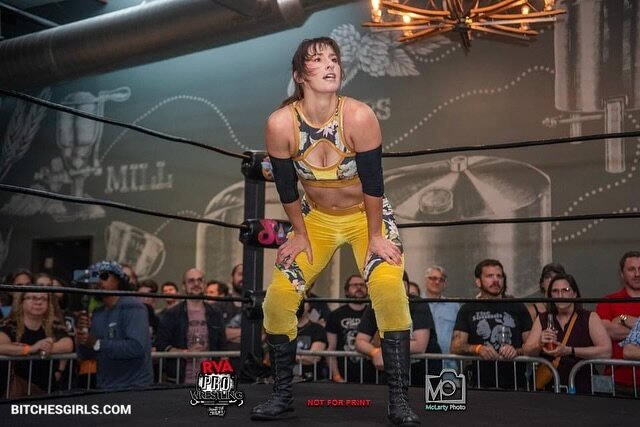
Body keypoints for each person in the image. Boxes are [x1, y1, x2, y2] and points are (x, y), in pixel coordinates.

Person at [250, 37, 418, 426]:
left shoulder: (359, 116)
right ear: (298, 75)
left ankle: (398, 401)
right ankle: (282, 395)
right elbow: (286, 187)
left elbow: (374, 182)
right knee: (277, 301)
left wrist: (376, 236)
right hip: (315, 220)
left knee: (390, 291)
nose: (330, 64)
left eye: (334, 59)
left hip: (366, 216)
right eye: (317, 59)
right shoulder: (281, 123)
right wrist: (299, 233)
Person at [451, 259, 532, 389]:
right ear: (478, 281)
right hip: (479, 385)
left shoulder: (517, 307)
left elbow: (532, 346)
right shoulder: (468, 308)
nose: (495, 280)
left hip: (515, 385)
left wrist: (516, 351)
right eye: (490, 276)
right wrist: (478, 349)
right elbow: (456, 346)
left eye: (499, 276)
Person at [522, 273, 610, 393]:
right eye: (555, 291)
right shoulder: (543, 318)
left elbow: (606, 352)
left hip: (584, 388)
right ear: (550, 295)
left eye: (566, 290)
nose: (560, 295)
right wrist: (539, 344)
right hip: (550, 389)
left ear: (574, 294)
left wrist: (570, 350)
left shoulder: (589, 317)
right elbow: (527, 351)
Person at [76, 261, 153, 389]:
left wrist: (97, 343)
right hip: (106, 386)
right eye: (94, 277)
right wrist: (82, 339)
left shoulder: (134, 307)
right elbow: (87, 355)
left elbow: (136, 347)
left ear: (118, 280)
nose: (98, 281)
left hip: (134, 387)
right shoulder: (97, 313)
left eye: (104, 276)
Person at [156, 268, 226, 384]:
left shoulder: (215, 313)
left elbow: (223, 349)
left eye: (200, 280)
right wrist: (184, 353)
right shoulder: (172, 314)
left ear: (204, 285)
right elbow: (161, 344)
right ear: (184, 286)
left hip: (210, 380)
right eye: (191, 281)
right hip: (179, 380)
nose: (196, 284)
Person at [0, 290, 73, 397]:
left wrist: (47, 347)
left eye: (43, 299)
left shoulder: (54, 326)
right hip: (18, 388)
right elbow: (1, 346)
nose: (38, 302)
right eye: (33, 298)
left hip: (47, 387)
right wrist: (30, 349)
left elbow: (68, 344)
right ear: (21, 301)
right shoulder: (10, 326)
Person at [595, 251, 640, 393]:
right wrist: (627, 319)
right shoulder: (608, 301)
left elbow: (615, 330)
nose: (637, 274)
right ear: (622, 274)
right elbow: (608, 331)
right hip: (616, 382)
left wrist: (622, 319)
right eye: (631, 269)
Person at [325, 274, 376, 384]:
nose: (359, 287)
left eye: (362, 285)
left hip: (371, 377)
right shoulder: (336, 315)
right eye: (355, 285)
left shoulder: (374, 314)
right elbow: (330, 349)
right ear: (347, 290)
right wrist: (337, 377)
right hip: (343, 375)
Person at [424, 266, 460, 371]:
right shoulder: (417, 303)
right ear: (426, 280)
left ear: (445, 283)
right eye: (433, 278)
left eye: (441, 280)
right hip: (421, 363)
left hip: (449, 365)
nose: (437, 282)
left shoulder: (453, 306)